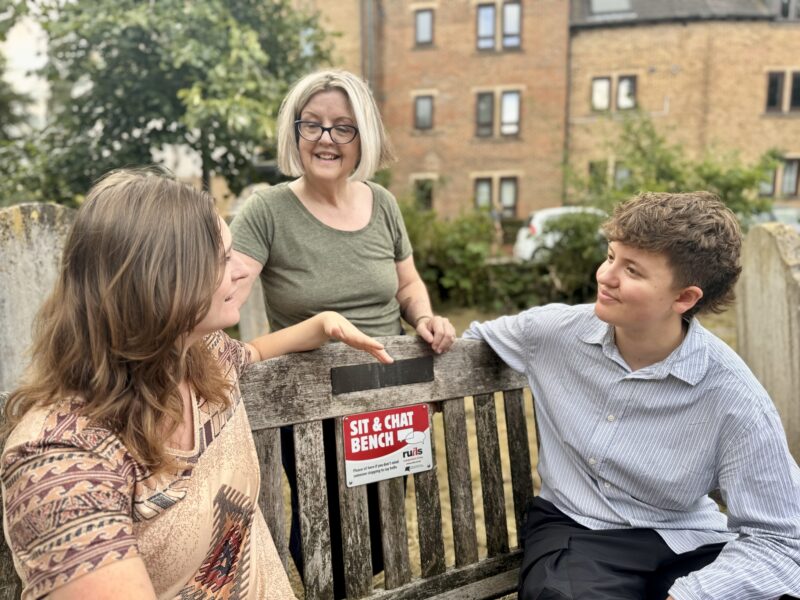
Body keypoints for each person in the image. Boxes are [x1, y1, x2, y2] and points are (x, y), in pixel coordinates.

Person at [0, 168, 393, 600]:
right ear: (163, 282)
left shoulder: (204, 361)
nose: (244, 269)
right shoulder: (63, 465)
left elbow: (254, 352)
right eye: (224, 258)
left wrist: (322, 323)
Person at [463, 191, 800, 600]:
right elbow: (472, 341)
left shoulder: (734, 397)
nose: (605, 276)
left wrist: (691, 595)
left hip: (685, 534)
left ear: (684, 298)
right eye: (610, 257)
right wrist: (432, 325)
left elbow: (781, 539)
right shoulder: (551, 333)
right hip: (578, 529)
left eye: (633, 271)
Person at [230, 69, 455, 594]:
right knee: (319, 538)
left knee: (379, 534)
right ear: (295, 133)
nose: (326, 139)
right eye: (313, 125)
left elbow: (407, 284)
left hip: (390, 392)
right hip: (309, 400)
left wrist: (422, 317)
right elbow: (226, 291)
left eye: (343, 127)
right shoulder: (267, 211)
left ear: (363, 138)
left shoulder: (384, 204)